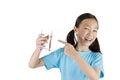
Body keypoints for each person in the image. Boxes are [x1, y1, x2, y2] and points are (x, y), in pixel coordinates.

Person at [28, 13, 104, 80]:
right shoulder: (63, 52)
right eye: (86, 29)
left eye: (95, 30)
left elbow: (94, 77)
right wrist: (39, 48)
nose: (91, 34)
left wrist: (74, 54)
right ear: (76, 29)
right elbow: (33, 64)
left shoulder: (96, 56)